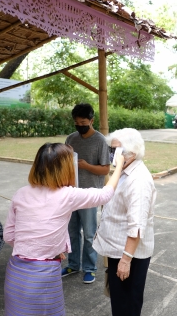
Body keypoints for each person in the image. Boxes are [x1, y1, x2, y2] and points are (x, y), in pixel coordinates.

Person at [3, 143, 125, 316]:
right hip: (43, 275)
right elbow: (105, 194)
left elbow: (9, 236)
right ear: (66, 169)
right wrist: (119, 164)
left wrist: (46, 248)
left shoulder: (21, 193)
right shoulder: (67, 195)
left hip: (16, 272)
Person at [93, 128, 156, 316]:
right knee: (119, 301)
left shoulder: (138, 180)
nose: (112, 154)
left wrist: (126, 260)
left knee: (127, 304)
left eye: (116, 150)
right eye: (111, 149)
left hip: (129, 254)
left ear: (131, 153)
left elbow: (136, 226)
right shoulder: (124, 171)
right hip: (118, 249)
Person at [62, 103, 110, 283]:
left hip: (90, 195)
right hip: (71, 193)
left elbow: (105, 170)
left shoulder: (100, 141)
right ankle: (73, 265)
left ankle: (90, 268)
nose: (79, 125)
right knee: (72, 232)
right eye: (76, 122)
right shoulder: (71, 139)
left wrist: (86, 166)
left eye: (83, 122)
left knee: (90, 234)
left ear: (91, 120)